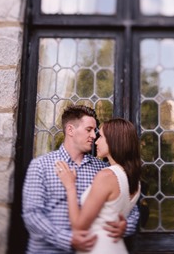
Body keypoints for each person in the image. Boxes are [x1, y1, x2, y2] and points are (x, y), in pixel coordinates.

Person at [22, 105, 140, 254]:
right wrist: (68, 239)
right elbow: (32, 215)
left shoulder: (103, 170)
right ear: (70, 130)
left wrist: (125, 226)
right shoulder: (41, 165)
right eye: (89, 130)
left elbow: (131, 208)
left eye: (96, 131)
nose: (94, 136)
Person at [55, 117, 141, 254]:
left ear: (113, 141)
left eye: (100, 136)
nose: (96, 140)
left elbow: (79, 226)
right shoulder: (135, 180)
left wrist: (70, 186)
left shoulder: (106, 176)